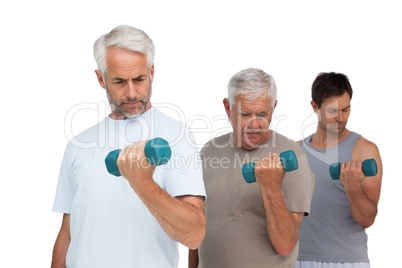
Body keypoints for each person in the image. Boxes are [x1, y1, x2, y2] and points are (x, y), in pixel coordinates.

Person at [51, 25, 206, 268]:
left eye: (140, 79)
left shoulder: (177, 135)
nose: (132, 92)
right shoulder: (78, 145)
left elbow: (194, 235)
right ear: (101, 79)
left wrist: (142, 182)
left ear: (152, 72)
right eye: (120, 81)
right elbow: (68, 234)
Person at [189, 68, 315, 267]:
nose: (254, 124)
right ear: (227, 107)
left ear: (274, 107)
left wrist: (270, 187)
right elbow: (197, 227)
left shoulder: (293, 158)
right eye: (245, 114)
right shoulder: (209, 152)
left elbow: (285, 245)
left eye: (263, 114)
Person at [296, 72, 383, 268]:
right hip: (297, 259)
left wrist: (352, 187)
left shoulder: (364, 150)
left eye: (346, 109)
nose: (341, 118)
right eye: (333, 111)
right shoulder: (296, 151)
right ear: (314, 107)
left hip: (347, 261)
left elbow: (367, 219)